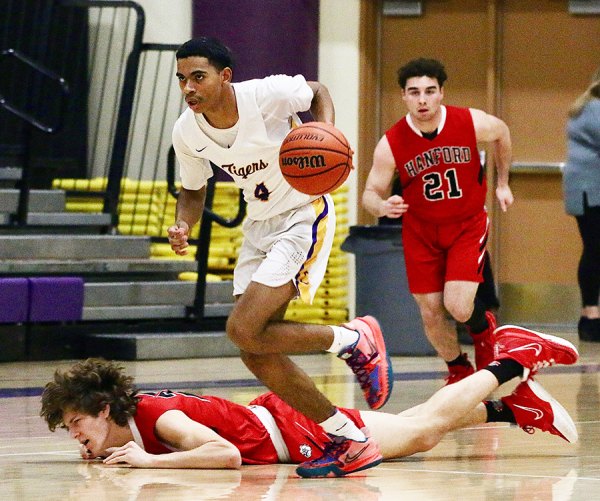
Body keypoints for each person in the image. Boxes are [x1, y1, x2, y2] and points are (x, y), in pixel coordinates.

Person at [165, 37, 392, 477]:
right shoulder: (187, 130)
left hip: (302, 215)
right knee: (253, 349)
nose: (188, 88)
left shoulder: (265, 95)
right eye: (181, 79)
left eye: (198, 77)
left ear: (224, 76)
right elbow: (193, 189)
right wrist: (183, 225)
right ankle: (349, 437)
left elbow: (318, 89)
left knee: (243, 328)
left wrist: (328, 132)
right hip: (259, 225)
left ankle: (351, 339)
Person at [40, 324, 579, 475]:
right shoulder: (134, 423)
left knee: (423, 431)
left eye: (76, 423)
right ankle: (511, 408)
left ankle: (514, 359)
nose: (76, 436)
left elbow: (224, 456)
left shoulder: (159, 418)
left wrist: (148, 461)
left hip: (294, 430)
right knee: (412, 423)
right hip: (286, 426)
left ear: (105, 409)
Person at [362, 58, 514, 384]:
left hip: (466, 224)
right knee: (431, 311)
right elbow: (369, 194)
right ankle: (458, 368)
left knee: (458, 306)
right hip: (420, 231)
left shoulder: (469, 121)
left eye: (430, 91)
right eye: (414, 92)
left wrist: (502, 183)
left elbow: (502, 132)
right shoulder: (391, 143)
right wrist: (382, 205)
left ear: (441, 93)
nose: (422, 100)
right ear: (403, 96)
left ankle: (482, 328)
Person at [563, 67, 600, 342]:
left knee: (594, 249)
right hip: (592, 190)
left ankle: (591, 312)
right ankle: (590, 315)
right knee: (594, 249)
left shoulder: (585, 106)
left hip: (586, 189)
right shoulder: (595, 109)